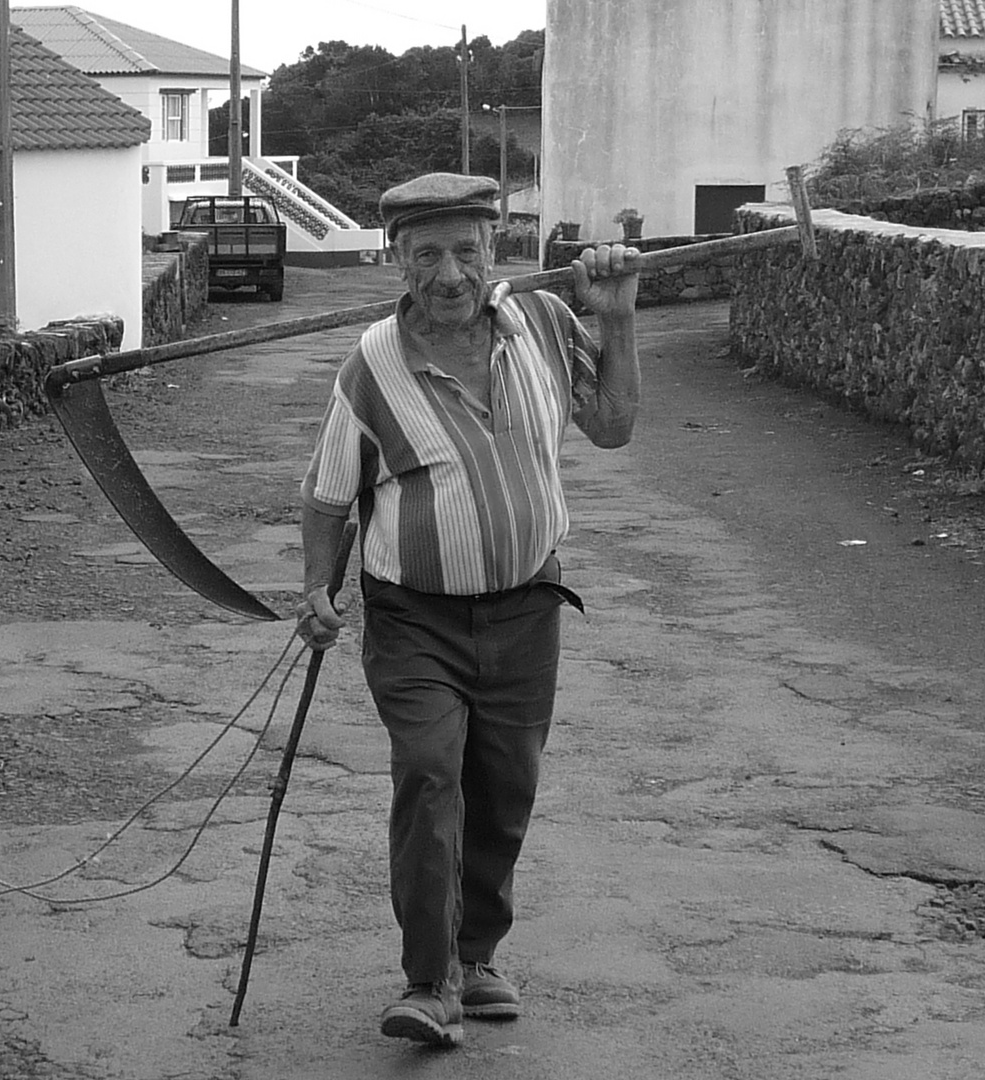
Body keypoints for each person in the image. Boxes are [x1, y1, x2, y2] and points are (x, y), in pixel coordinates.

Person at [297, 172, 642, 1048]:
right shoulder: (371, 363)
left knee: (504, 788)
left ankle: (478, 955)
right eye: (426, 255)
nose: (449, 273)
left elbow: (612, 426)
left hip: (528, 608)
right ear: (396, 261)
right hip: (415, 620)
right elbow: (328, 498)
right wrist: (314, 592)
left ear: (495, 249)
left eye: (465, 249)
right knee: (430, 775)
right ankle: (429, 980)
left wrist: (620, 317)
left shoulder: (547, 325)